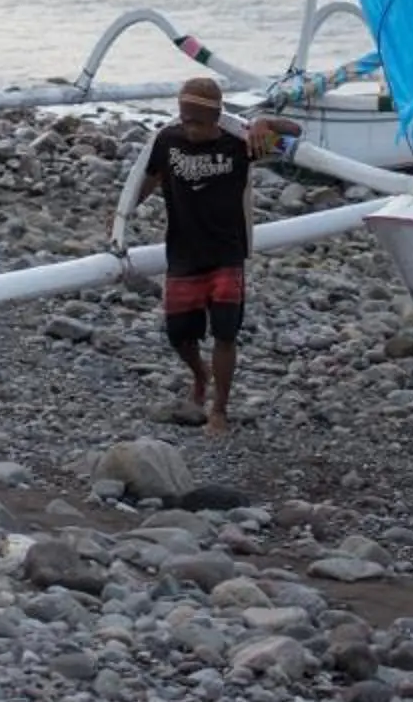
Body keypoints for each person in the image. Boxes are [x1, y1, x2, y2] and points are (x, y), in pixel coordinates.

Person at [118, 76, 298, 435]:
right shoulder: (168, 141)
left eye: (197, 122)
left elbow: (295, 135)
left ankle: (220, 409)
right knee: (179, 336)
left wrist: (266, 123)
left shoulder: (243, 143)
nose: (189, 128)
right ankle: (200, 375)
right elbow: (148, 180)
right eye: (184, 118)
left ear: (216, 119)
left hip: (226, 254)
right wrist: (120, 218)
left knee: (225, 333)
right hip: (183, 253)